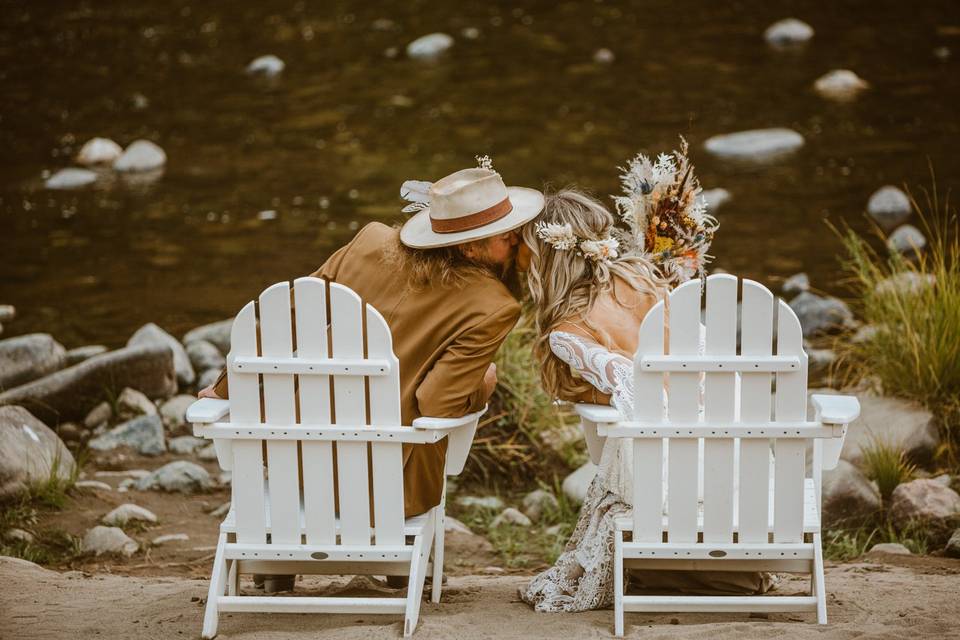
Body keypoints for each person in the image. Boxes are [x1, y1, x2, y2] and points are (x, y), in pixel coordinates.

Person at [199, 165, 544, 590]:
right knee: (418, 443)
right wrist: (484, 384)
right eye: (505, 232)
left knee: (301, 458)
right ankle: (400, 571)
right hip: (388, 484)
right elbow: (437, 404)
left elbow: (283, 320)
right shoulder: (494, 305)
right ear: (470, 248)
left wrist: (221, 388)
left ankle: (275, 565)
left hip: (293, 460)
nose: (517, 237)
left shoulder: (370, 241)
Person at [518, 189, 773, 612]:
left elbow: (633, 387)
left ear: (548, 257)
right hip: (732, 450)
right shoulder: (647, 281)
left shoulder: (568, 330)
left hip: (664, 469)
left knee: (616, 476)